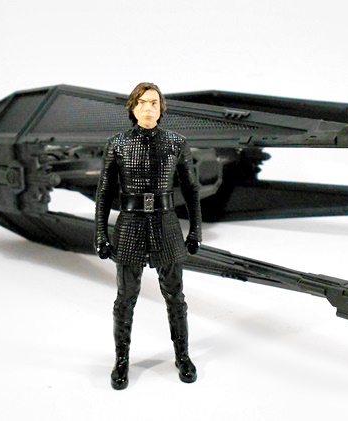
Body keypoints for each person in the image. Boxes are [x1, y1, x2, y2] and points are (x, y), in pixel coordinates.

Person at [94, 82, 202, 390]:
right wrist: (100, 233)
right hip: (130, 224)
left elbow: (191, 189)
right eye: (142, 102)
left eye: (154, 102)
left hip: (166, 224)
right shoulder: (117, 144)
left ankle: (182, 355)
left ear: (161, 108)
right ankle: (122, 360)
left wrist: (195, 230)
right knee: (125, 297)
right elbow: (105, 191)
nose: (148, 107)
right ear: (132, 108)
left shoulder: (176, 142)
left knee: (175, 297)